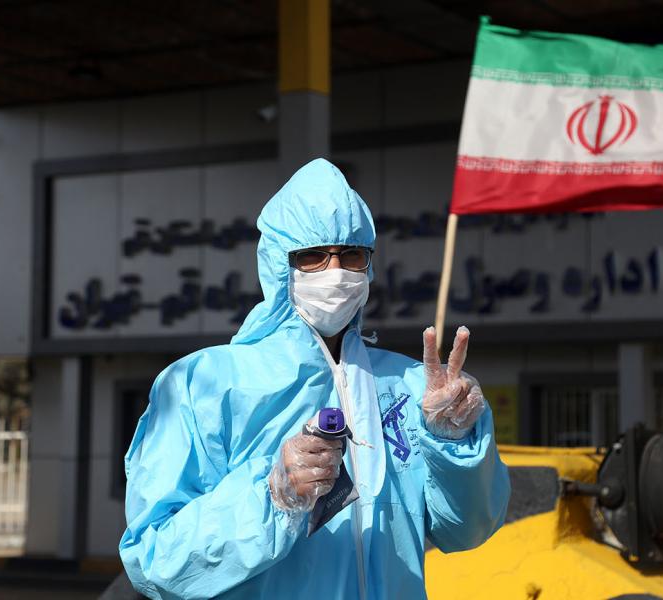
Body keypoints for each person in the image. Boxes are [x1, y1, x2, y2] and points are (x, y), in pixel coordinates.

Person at [119, 158, 510, 599]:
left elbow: (467, 530)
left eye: (351, 255)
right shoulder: (203, 384)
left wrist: (454, 447)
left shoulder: (414, 387)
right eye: (312, 256)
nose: (335, 271)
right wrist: (272, 498)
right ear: (278, 265)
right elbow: (154, 559)